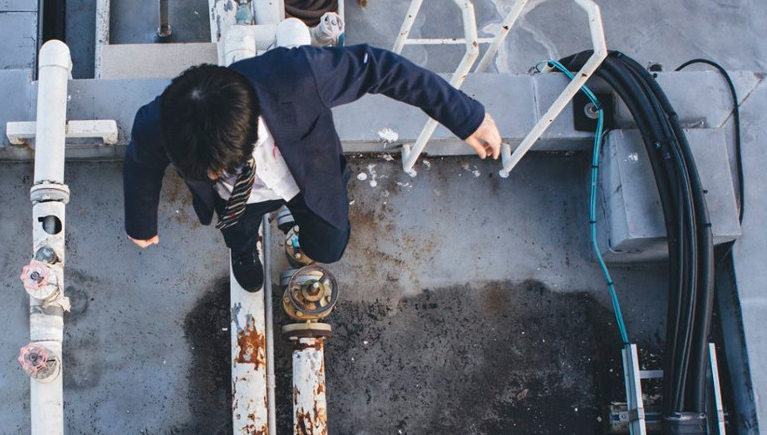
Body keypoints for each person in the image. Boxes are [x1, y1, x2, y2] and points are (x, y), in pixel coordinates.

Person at [123, 43, 501, 291]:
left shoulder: (299, 76)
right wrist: (141, 223)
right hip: (238, 201)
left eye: (216, 167)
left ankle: (298, 231)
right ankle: (243, 250)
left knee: (330, 245)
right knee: (237, 232)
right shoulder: (156, 121)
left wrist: (466, 117)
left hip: (305, 179)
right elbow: (141, 161)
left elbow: (383, 69)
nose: (206, 177)